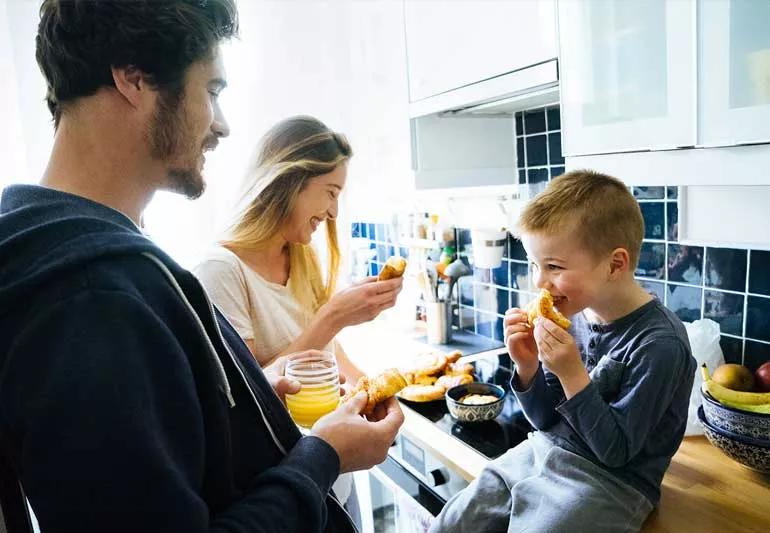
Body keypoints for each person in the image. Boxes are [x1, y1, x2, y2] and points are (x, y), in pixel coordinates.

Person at [0, 2, 403, 532]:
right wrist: (323, 455)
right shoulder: (95, 295)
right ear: (132, 78)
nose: (222, 125)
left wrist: (239, 406)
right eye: (211, 91)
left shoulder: (69, 250)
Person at [430, 171, 696, 532]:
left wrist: (572, 374)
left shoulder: (660, 344)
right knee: (452, 522)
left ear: (615, 265)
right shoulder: (578, 314)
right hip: (543, 451)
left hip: (612, 483)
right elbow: (546, 422)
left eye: (553, 266)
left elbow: (615, 453)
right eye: (537, 265)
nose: (540, 281)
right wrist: (528, 367)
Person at [194, 116, 404, 522]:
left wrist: (370, 391)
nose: (333, 211)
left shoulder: (300, 254)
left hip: (334, 470)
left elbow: (326, 351)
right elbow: (249, 401)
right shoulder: (221, 270)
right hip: (280, 492)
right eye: (330, 192)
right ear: (290, 181)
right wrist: (333, 316)